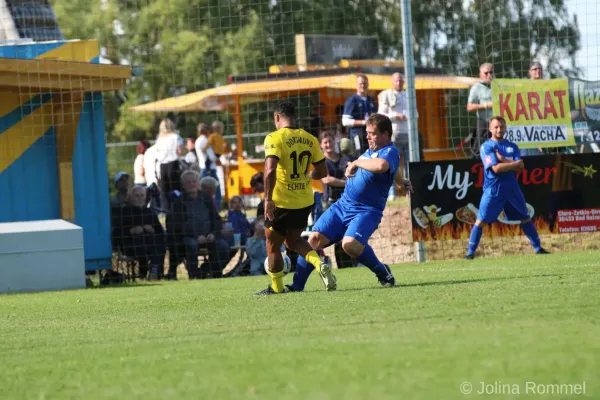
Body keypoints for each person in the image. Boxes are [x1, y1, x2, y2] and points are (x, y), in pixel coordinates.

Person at [304, 114, 413, 289]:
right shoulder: (371, 151)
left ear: (385, 134)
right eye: (367, 133)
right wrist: (401, 180)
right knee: (313, 240)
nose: (367, 136)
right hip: (343, 205)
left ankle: (382, 272)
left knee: (350, 245)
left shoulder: (389, 151)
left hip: (366, 210)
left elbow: (381, 166)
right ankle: (296, 286)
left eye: (372, 133)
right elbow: (391, 170)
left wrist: (356, 163)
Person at [254, 100, 333, 296]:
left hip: (281, 201)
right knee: (293, 241)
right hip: (304, 201)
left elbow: (270, 170)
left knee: (272, 247)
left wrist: (267, 199)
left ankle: (277, 287)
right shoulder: (310, 138)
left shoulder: (274, 138)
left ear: (277, 117)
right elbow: (323, 171)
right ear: (294, 116)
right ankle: (319, 263)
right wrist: (308, 177)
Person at [464, 116, 550, 259]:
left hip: (512, 188)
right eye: (496, 127)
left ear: (506, 128)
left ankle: (538, 248)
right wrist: (512, 164)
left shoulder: (512, 146)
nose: (499, 129)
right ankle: (470, 253)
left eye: (502, 126)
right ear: (490, 129)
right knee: (481, 220)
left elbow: (520, 166)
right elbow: (496, 169)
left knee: (525, 217)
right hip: (493, 189)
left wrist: (503, 160)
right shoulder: (486, 147)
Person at [342, 74, 377, 154]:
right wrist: (364, 122)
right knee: (359, 158)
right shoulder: (352, 100)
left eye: (365, 83)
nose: (363, 85)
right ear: (356, 85)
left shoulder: (371, 100)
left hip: (370, 136)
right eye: (360, 83)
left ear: (368, 85)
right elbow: (345, 121)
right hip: (357, 135)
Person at [467, 63, 494, 156]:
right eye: (486, 73)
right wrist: (487, 105)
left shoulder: (498, 85)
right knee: (479, 149)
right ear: (480, 74)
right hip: (484, 121)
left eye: (491, 72)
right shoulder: (476, 88)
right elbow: (469, 107)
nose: (489, 75)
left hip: (498, 122)